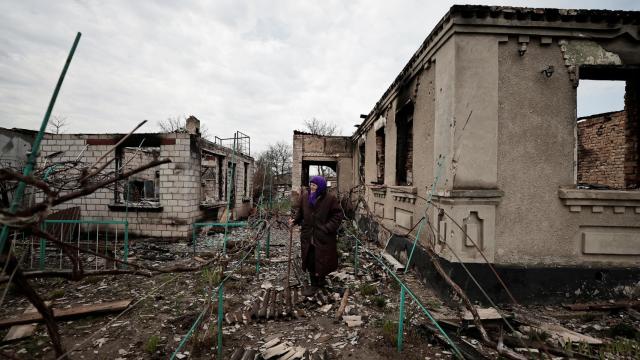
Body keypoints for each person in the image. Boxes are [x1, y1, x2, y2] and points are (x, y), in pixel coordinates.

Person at [289, 176, 343, 296]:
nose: (312, 187)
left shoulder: (330, 199)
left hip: (323, 236)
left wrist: (327, 228)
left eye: (314, 185)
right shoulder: (305, 197)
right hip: (308, 235)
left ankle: (321, 281)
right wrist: (295, 221)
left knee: (322, 259)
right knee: (310, 259)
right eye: (311, 184)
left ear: (321, 187)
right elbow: (301, 213)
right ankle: (314, 285)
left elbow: (338, 215)